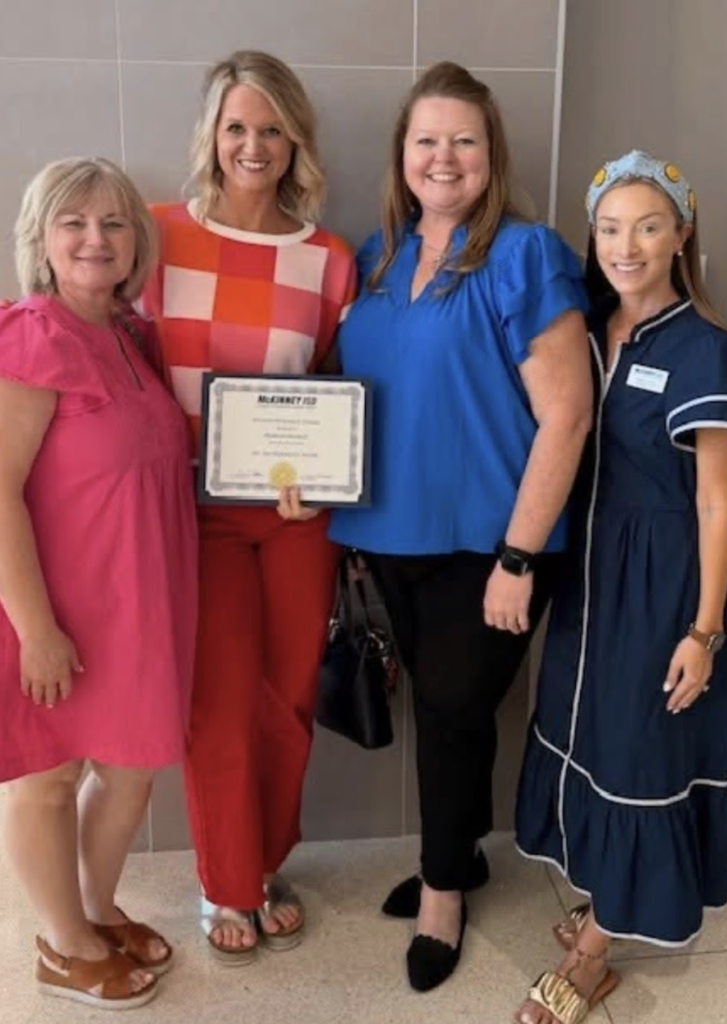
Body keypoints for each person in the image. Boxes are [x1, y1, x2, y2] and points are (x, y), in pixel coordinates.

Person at [328, 61, 593, 992]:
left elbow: (567, 415)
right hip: (391, 535)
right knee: (450, 713)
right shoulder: (374, 257)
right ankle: (463, 853)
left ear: (491, 155)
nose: (444, 157)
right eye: (426, 140)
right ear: (402, 155)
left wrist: (518, 556)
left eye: (464, 140)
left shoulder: (525, 255)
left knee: (449, 709)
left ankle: (444, 891)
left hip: (494, 542)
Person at [514, 151, 727, 1024]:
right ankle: (606, 894)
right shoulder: (584, 329)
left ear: (680, 234)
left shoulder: (708, 352)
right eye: (609, 228)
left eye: (647, 226)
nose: (626, 245)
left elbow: (719, 500)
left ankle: (596, 952)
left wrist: (704, 629)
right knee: (592, 736)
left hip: (662, 585)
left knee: (642, 751)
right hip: (589, 574)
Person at [141, 50, 356, 962]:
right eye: (237, 126)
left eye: (271, 128)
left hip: (295, 515)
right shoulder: (155, 236)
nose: (253, 144)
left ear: (294, 139)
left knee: (289, 693)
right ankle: (225, 884)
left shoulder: (327, 259)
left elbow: (335, 387)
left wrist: (327, 481)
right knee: (218, 701)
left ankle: (263, 863)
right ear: (211, 136)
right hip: (191, 514)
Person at [0, 157, 198, 1008]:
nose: (95, 238)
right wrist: (34, 628)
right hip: (56, 606)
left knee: (130, 767)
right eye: (74, 222)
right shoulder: (29, 335)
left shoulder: (130, 333)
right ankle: (59, 941)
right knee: (46, 775)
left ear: (135, 243)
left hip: (137, 605)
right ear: (41, 239)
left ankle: (95, 906)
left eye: (114, 223)